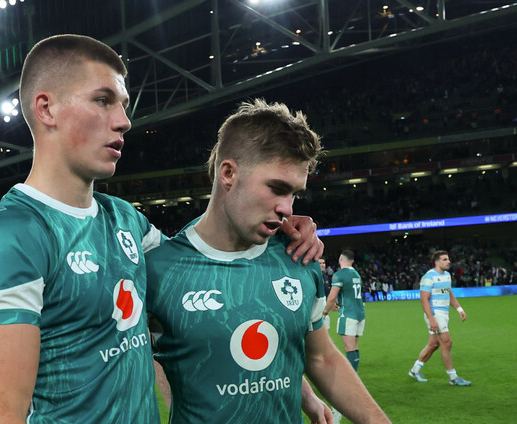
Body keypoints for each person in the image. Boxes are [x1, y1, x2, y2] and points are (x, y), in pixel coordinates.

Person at [0, 35, 324, 424]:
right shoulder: (9, 239)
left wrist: (280, 226)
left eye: (123, 104)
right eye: (103, 100)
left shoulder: (126, 221)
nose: (124, 121)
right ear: (47, 109)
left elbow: (202, 281)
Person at [146, 99, 389, 423]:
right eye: (276, 188)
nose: (287, 208)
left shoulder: (298, 257)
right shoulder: (157, 270)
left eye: (294, 194)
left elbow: (322, 358)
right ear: (228, 173)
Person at [408, 250, 471, 386]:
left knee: (434, 344)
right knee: (447, 343)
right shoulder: (429, 277)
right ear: (436, 262)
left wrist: (459, 309)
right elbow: (424, 300)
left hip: (444, 313)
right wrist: (431, 319)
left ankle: (414, 370)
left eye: (448, 259)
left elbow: (449, 294)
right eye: (444, 259)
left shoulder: (447, 275)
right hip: (435, 314)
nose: (448, 262)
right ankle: (453, 377)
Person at [323, 250, 366, 424]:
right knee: (354, 348)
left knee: (349, 349)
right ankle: (355, 381)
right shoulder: (356, 274)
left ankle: (350, 385)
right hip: (360, 313)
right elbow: (347, 295)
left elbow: (332, 296)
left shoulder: (339, 274)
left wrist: (324, 312)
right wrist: (338, 303)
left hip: (348, 315)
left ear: (341, 259)